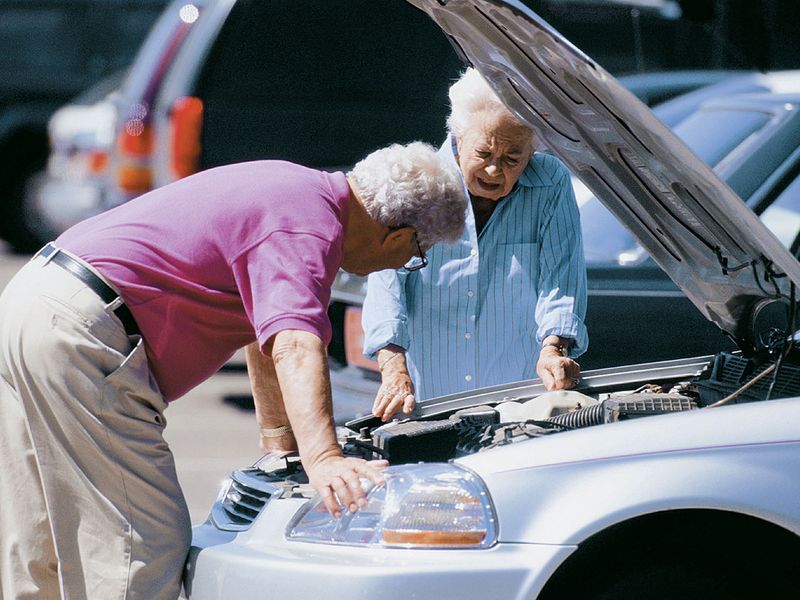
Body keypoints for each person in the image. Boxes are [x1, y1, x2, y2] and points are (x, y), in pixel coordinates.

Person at [0, 141, 466, 599]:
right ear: (400, 235)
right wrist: (324, 459)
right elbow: (294, 344)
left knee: (42, 537)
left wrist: (280, 444)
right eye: (416, 255)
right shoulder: (311, 231)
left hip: (34, 301)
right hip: (84, 330)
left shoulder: (296, 189)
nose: (407, 263)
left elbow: (263, 334)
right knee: (141, 546)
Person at [362, 68, 588, 421]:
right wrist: (392, 367)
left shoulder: (551, 183)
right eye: (484, 153)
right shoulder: (417, 181)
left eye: (513, 158)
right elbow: (385, 282)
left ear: (533, 150)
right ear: (459, 136)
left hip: (519, 398)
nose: (495, 171)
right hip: (430, 398)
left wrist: (555, 347)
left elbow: (561, 277)